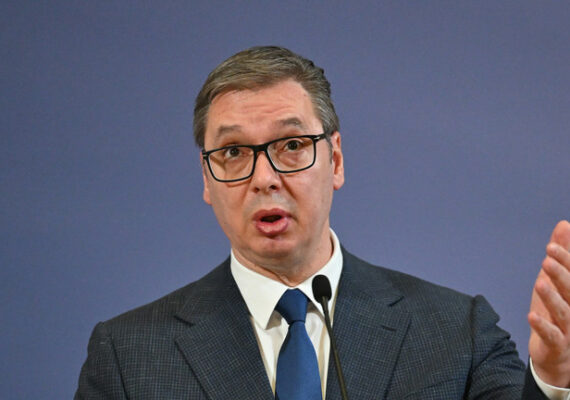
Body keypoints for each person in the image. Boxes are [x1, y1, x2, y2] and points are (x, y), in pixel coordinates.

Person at [75, 46, 570, 399]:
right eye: (233, 152)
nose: (264, 178)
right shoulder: (128, 356)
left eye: (291, 145)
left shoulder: (456, 332)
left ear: (335, 160)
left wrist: (554, 378)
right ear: (206, 179)